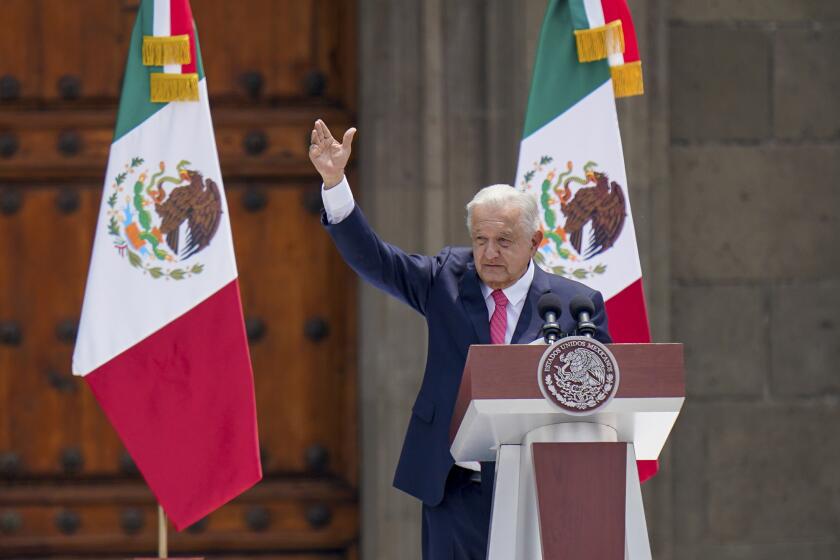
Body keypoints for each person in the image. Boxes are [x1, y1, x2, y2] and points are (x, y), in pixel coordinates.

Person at [309, 119, 611, 559]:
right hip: (455, 490)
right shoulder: (446, 280)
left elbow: (600, 398)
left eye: (504, 241)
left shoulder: (575, 305)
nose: (489, 254)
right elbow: (376, 261)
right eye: (480, 240)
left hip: (541, 490)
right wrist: (335, 183)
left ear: (535, 242)